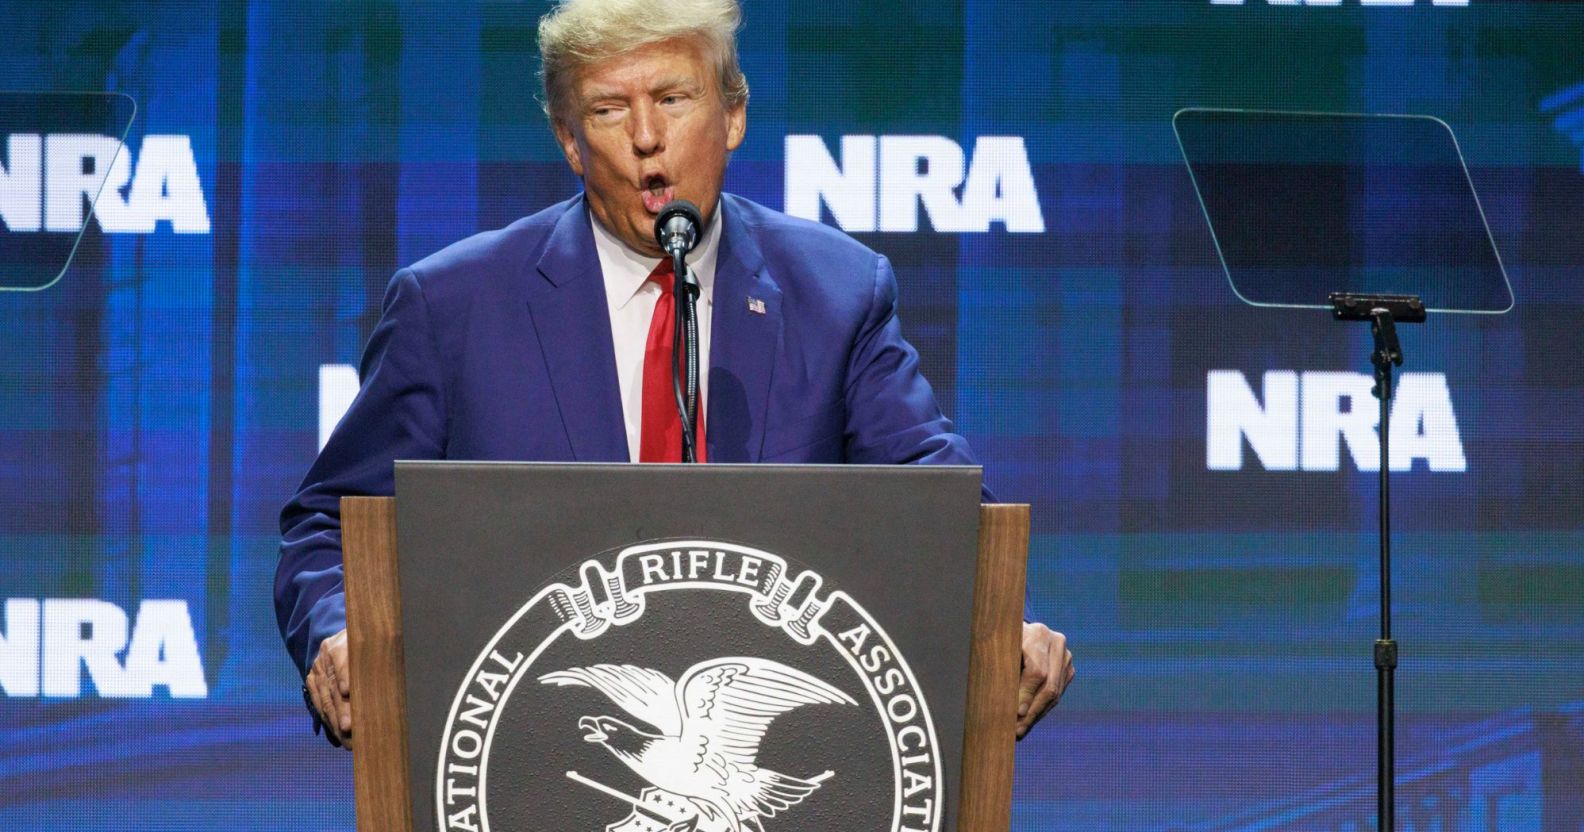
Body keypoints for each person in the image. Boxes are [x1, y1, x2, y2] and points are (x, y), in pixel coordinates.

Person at [277, 0, 1073, 751]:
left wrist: (1008, 621)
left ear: (734, 115)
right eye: (608, 110)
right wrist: (340, 630)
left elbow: (930, 493)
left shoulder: (836, 294)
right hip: (530, 750)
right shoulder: (453, 305)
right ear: (568, 140)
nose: (647, 137)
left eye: (674, 97)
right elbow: (329, 523)